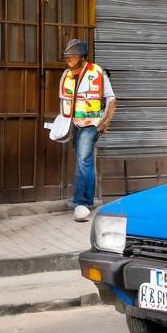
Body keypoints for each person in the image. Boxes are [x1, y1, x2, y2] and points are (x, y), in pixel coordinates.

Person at [60, 39, 117, 222]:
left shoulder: (97, 72)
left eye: (71, 56)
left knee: (84, 159)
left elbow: (111, 99)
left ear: (82, 57)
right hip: (74, 124)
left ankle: (82, 201)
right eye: (67, 57)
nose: (68, 59)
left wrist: (104, 123)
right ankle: (87, 199)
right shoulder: (67, 74)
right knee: (84, 160)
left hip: (92, 123)